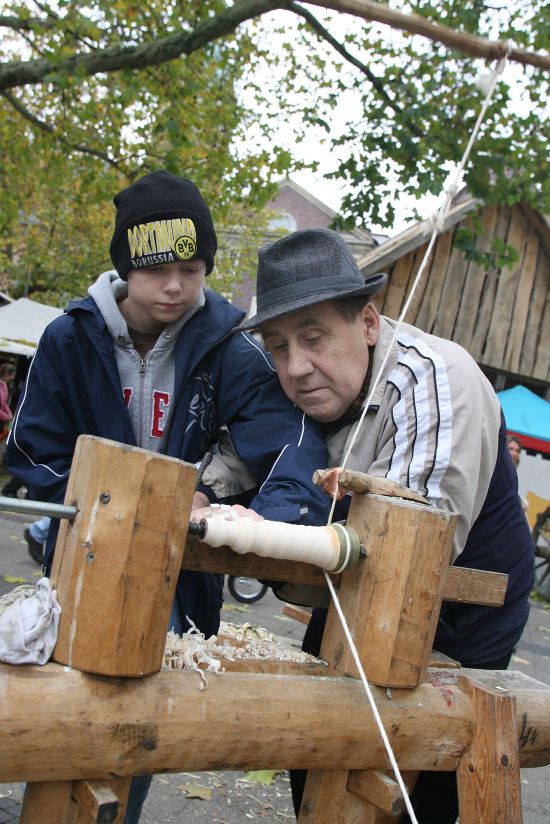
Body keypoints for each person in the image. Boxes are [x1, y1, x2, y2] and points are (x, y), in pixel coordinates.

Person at [6, 173, 330, 823]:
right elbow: (34, 451)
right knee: (62, 725)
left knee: (138, 737)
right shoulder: (69, 338)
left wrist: (252, 519)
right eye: (157, 271)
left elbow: (290, 443)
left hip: (180, 583)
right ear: (126, 267)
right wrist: (110, 504)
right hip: (81, 565)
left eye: (192, 268)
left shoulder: (230, 347)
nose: (176, 287)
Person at [236, 228, 535, 824]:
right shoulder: (293, 390)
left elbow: (406, 555)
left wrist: (266, 539)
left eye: (314, 338)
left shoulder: (434, 380)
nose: (296, 367)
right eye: (278, 347)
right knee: (316, 761)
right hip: (348, 594)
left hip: (459, 618)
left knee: (412, 789)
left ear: (368, 323)